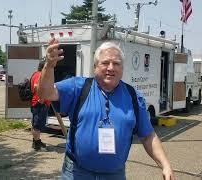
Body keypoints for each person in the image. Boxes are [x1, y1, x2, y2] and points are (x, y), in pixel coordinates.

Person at [38, 38, 175, 180]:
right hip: (76, 172)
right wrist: (49, 66)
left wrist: (165, 165)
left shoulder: (133, 97)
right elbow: (45, 93)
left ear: (122, 68)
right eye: (105, 63)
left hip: (114, 175)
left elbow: (148, 136)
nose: (111, 68)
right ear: (95, 66)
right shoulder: (78, 87)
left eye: (116, 63)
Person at [30, 60, 50, 151]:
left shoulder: (35, 74)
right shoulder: (39, 75)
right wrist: (41, 100)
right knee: (37, 125)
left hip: (38, 103)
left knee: (36, 124)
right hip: (39, 104)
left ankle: (36, 142)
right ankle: (37, 144)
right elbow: (35, 86)